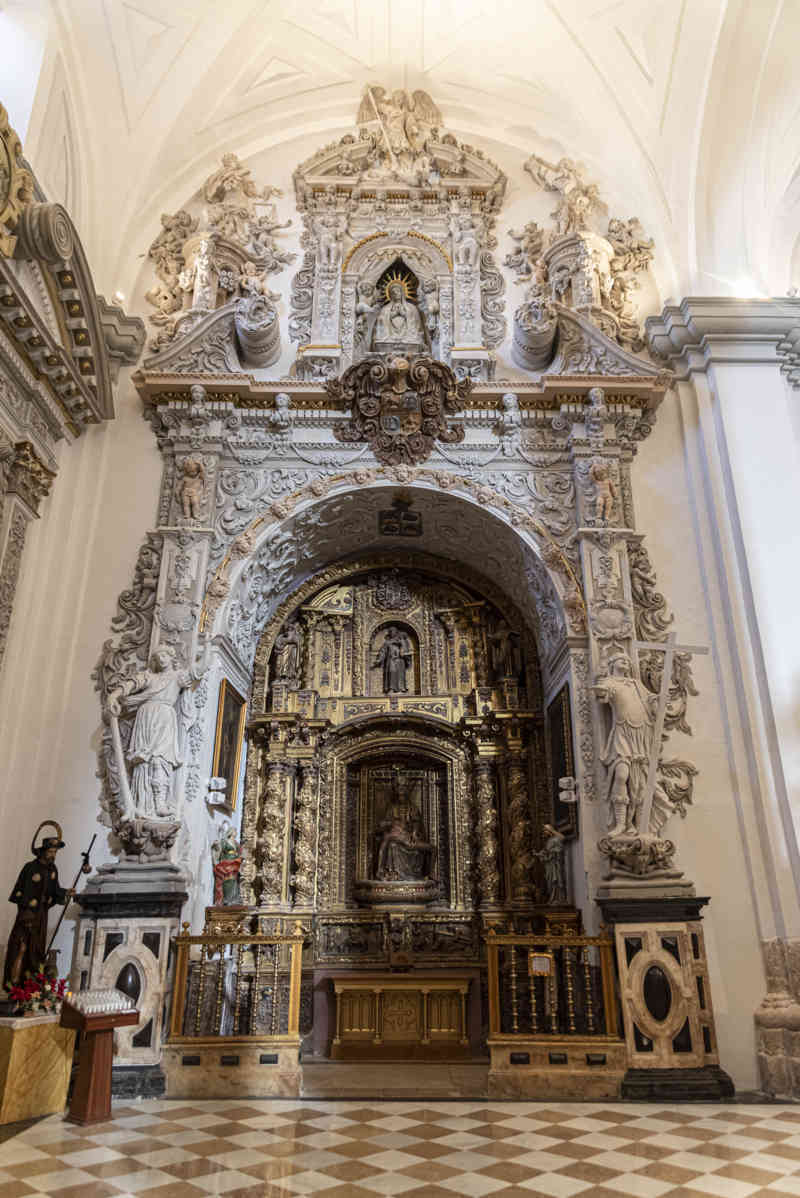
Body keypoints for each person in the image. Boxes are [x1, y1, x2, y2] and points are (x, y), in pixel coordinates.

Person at [4, 825, 74, 990]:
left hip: (41, 916)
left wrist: (66, 892)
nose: (53, 855)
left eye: (55, 852)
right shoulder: (30, 867)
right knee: (20, 948)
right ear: (43, 851)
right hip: (27, 916)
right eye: (51, 851)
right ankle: (13, 987)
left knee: (36, 949)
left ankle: (31, 988)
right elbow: (20, 892)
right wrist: (27, 912)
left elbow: (55, 891)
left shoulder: (53, 870)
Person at [374, 626, 411, 693]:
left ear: (396, 632)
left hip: (400, 660)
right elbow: (383, 651)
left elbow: (406, 651)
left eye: (393, 631)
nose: (391, 633)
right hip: (391, 660)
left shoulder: (401, 641)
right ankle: (391, 688)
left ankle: (401, 688)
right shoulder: (387, 643)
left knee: (400, 675)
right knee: (391, 673)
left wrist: (402, 647)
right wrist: (379, 660)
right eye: (390, 631)